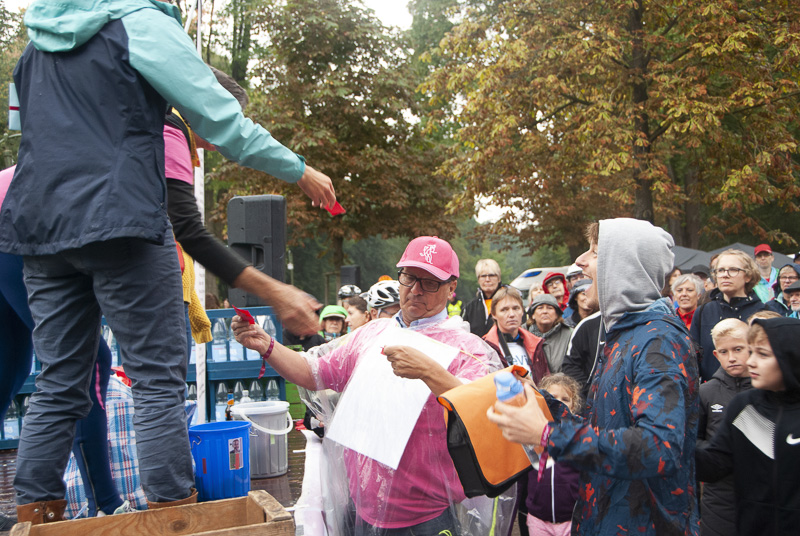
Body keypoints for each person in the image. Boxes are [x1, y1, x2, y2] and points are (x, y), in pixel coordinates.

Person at [2, 0, 335, 522]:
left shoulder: (33, 48)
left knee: (58, 381)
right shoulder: (141, 23)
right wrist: (299, 170)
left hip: (38, 227)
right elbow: (222, 120)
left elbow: (28, 133)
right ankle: (174, 520)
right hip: (122, 222)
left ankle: (33, 520)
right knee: (156, 381)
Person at [232, 236, 504, 534]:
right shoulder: (372, 333)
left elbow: (484, 412)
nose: (414, 290)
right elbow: (315, 372)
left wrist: (430, 372)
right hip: (361, 505)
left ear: (452, 288)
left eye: (429, 282)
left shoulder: (469, 348)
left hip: (428, 516)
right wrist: (266, 344)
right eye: (410, 277)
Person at [487, 218, 700, 536]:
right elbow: (605, 425)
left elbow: (659, 447)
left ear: (625, 266)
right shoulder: (627, 333)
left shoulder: (658, 341)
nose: (580, 261)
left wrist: (548, 435)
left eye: (596, 252)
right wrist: (539, 398)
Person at [695, 317, 800, 535]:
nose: (750, 362)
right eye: (751, 352)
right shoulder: (748, 407)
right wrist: (670, 437)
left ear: (791, 356)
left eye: (763, 354)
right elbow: (715, 465)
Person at [696, 319, 751, 536]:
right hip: (718, 497)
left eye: (738, 349)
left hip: (759, 491)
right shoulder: (706, 393)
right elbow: (693, 438)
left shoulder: (766, 390)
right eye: (724, 352)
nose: (732, 358)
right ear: (716, 355)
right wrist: (717, 454)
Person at [691, 249, 765, 382]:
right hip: (712, 395)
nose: (725, 275)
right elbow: (693, 360)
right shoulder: (703, 312)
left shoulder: (762, 313)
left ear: (748, 276)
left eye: (733, 270)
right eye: (720, 270)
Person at [523, 374, 582, 536]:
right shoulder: (532, 430)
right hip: (538, 518)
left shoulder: (578, 430)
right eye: (553, 397)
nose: (559, 402)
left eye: (565, 399)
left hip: (571, 518)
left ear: (574, 404)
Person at [482, 286, 549, 381]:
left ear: (522, 311)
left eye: (516, 308)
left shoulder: (536, 344)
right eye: (504, 310)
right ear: (494, 314)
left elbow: (546, 382)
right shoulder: (485, 347)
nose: (511, 314)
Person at [527, 294, 572, 373]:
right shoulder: (523, 334)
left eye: (550, 308)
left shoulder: (569, 334)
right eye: (540, 308)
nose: (545, 311)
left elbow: (573, 367)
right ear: (533, 315)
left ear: (556, 314)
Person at [462, 258, 503, 337]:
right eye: (483, 276)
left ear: (499, 278)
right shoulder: (469, 308)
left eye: (491, 275)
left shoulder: (509, 304)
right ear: (478, 280)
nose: (487, 279)